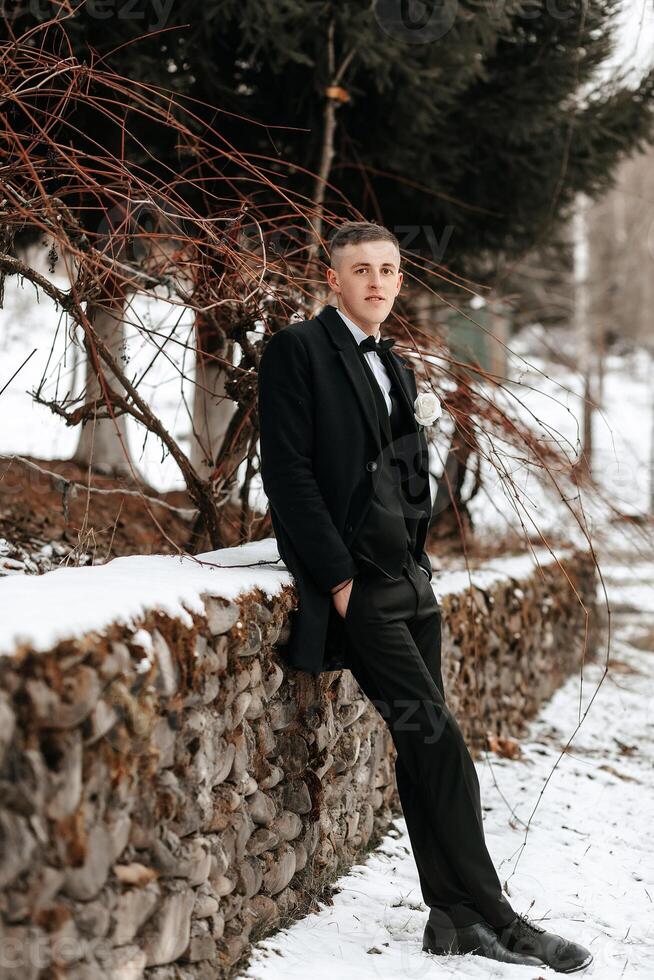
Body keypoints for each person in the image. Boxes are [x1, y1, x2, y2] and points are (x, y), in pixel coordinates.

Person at [257, 220, 592, 972]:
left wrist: (419, 555)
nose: (376, 280)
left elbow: (407, 473)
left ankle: (448, 917)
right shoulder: (299, 352)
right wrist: (340, 581)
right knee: (441, 744)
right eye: (360, 269)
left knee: (420, 750)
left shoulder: (398, 367)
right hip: (361, 591)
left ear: (400, 281)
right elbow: (289, 476)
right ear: (332, 279)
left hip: (410, 583)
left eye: (389, 269)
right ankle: (501, 919)